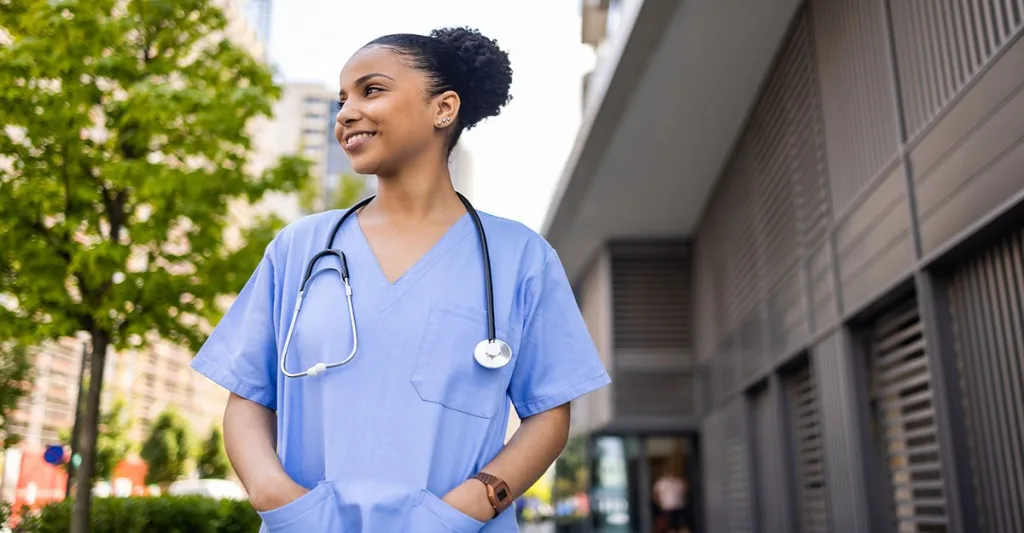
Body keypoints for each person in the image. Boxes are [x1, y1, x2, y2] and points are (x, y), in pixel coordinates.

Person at [189, 26, 611, 532]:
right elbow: (248, 398)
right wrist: (281, 501)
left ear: (444, 108)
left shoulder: (520, 257)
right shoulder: (299, 248)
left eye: (372, 90)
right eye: (343, 97)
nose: (345, 112)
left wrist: (465, 510)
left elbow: (547, 414)